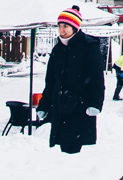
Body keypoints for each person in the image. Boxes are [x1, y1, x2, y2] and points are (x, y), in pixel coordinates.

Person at [37, 9, 104, 153]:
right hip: (60, 107)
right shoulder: (57, 49)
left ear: (75, 27)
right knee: (64, 151)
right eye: (59, 26)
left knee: (75, 152)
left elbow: (97, 79)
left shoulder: (89, 47)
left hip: (80, 107)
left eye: (65, 26)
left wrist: (95, 103)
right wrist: (44, 105)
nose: (62, 30)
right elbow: (51, 82)